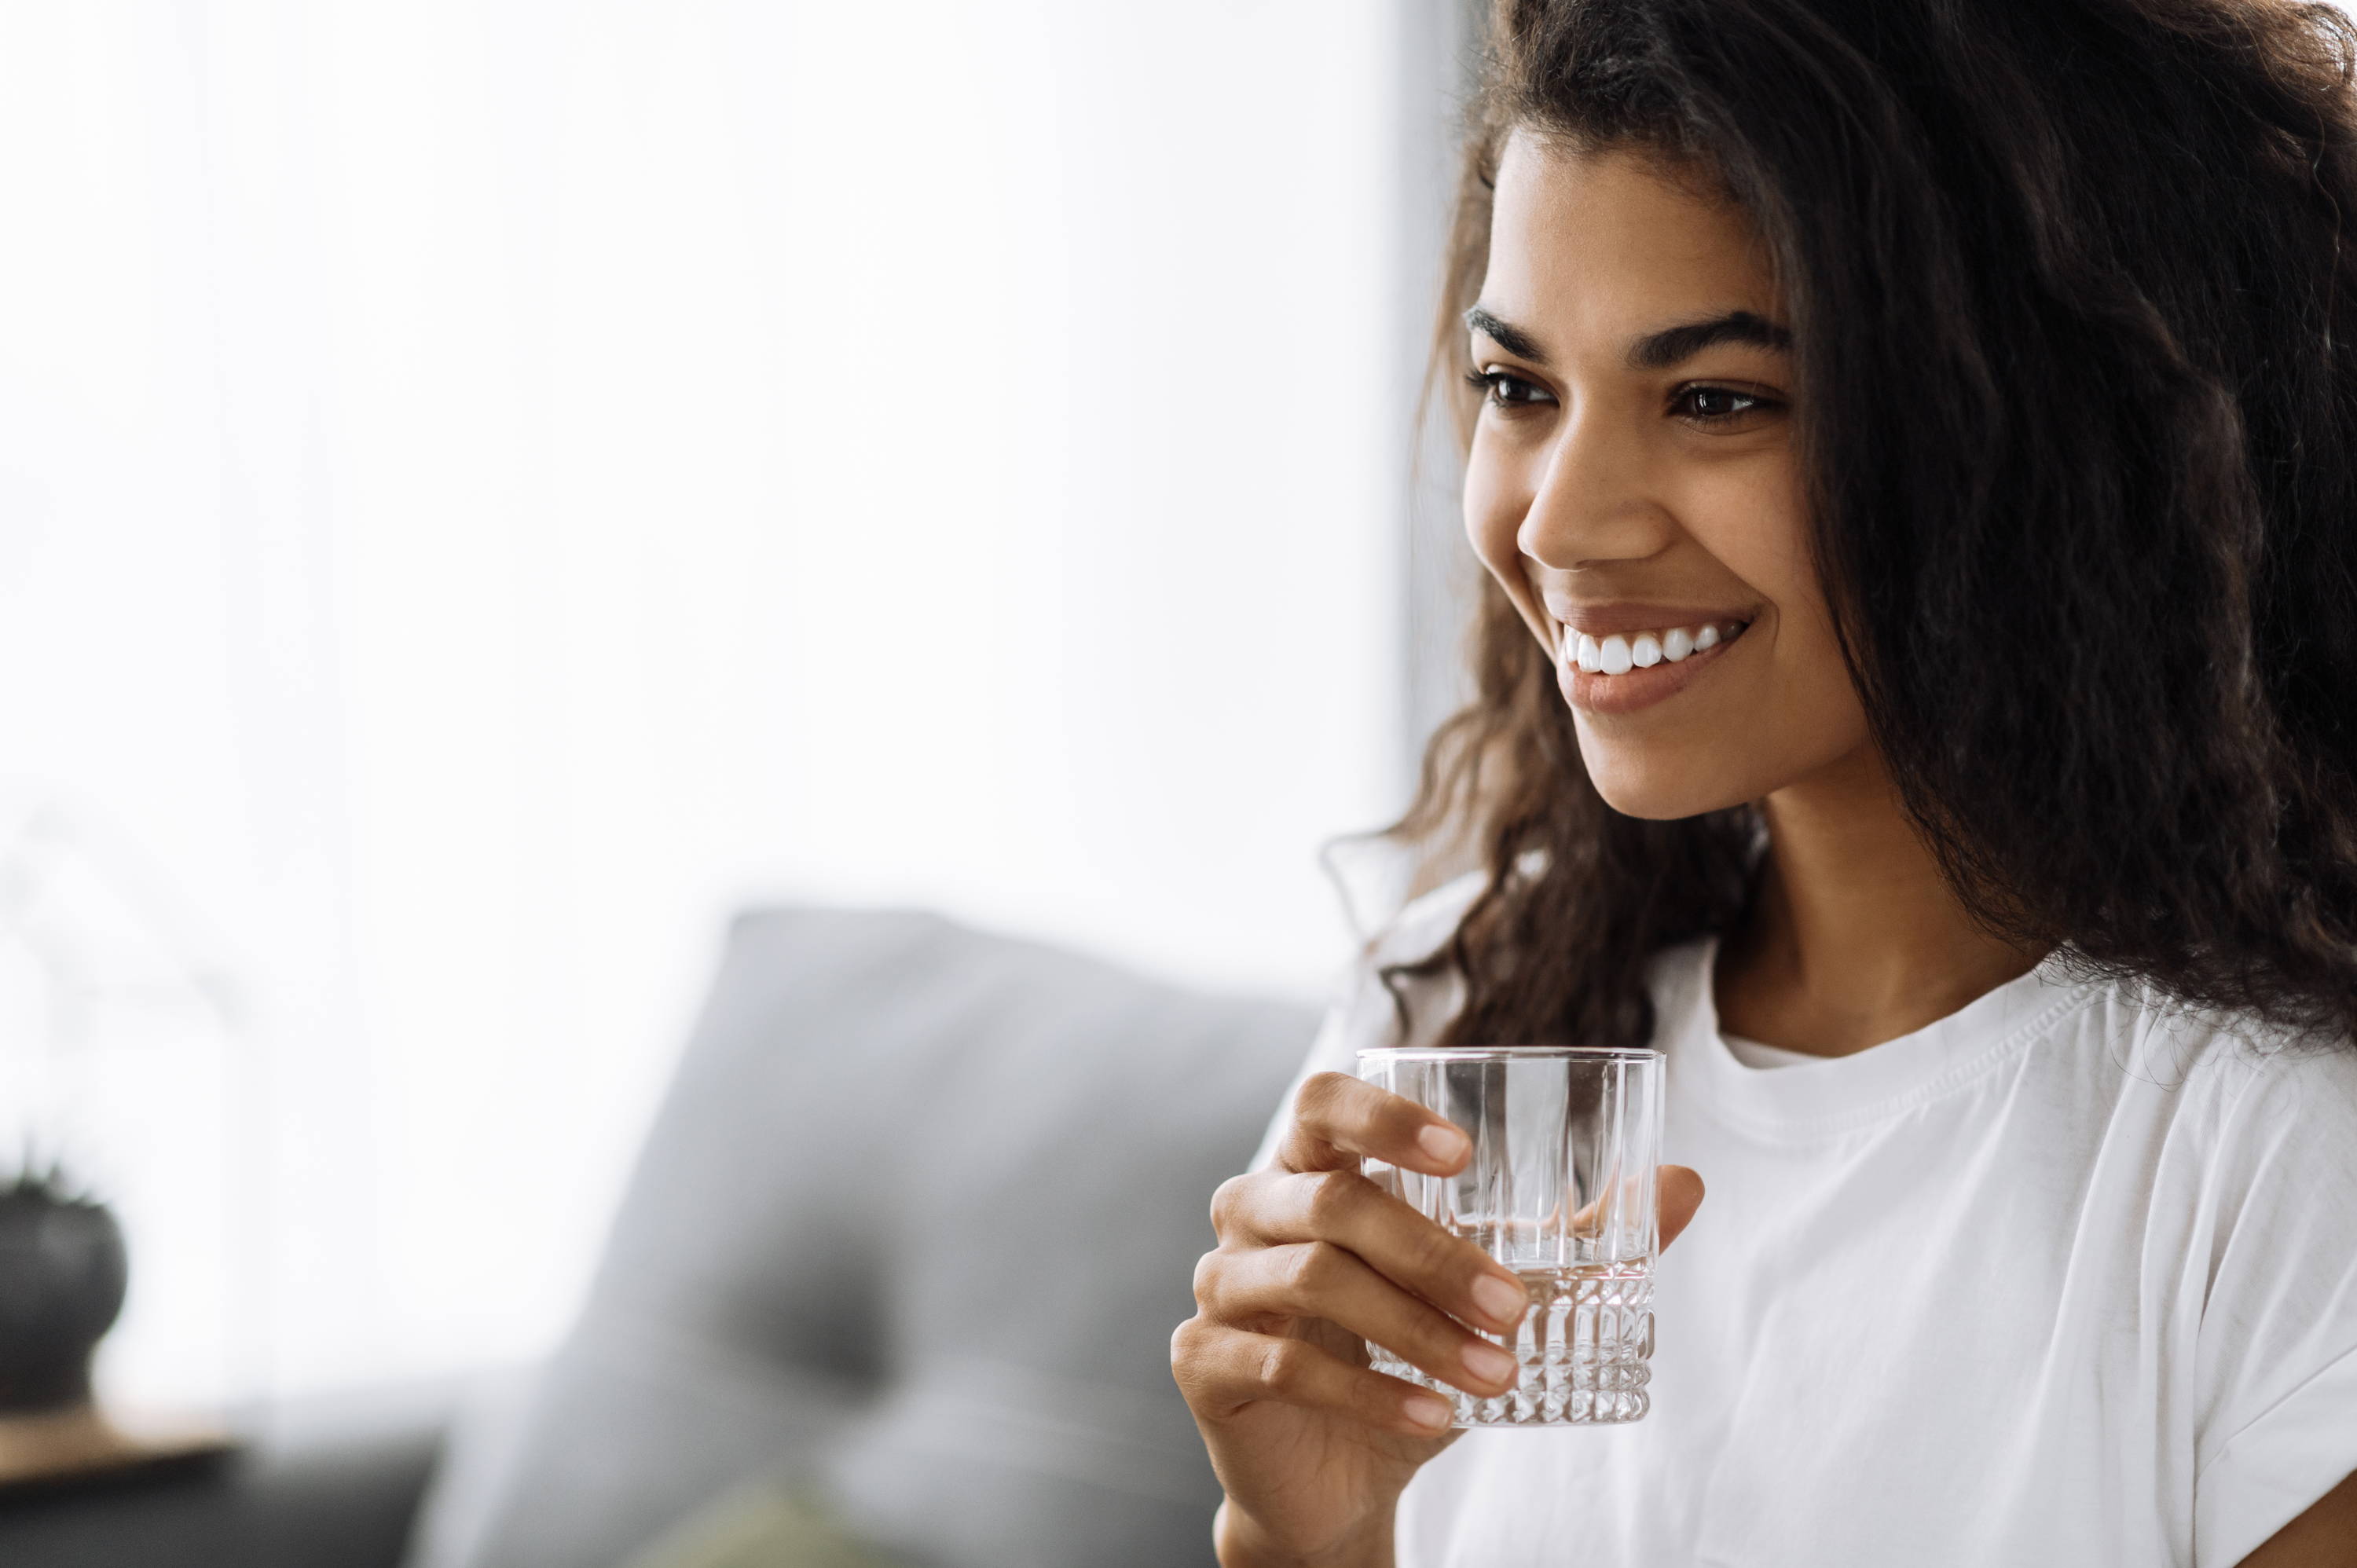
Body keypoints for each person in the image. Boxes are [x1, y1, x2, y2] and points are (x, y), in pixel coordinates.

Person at [1170, 0, 2357, 1562]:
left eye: (1719, 397)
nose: (1563, 522)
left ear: (2055, 437)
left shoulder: (2275, 1146)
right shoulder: (1453, 1009)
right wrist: (1301, 1536)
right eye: (1521, 387)